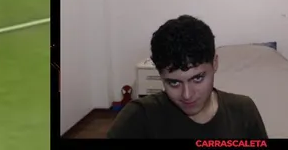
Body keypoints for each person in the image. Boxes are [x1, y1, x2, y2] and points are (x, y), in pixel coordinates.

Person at [108, 15, 268, 139]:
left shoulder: (243, 112)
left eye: (198, 78)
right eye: (174, 82)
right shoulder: (138, 117)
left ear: (215, 63)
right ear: (160, 74)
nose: (187, 95)